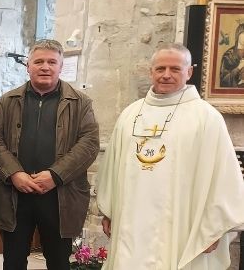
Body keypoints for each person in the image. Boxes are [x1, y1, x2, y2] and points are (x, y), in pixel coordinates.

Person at [96, 43, 244, 269]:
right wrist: (109, 210)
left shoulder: (207, 118)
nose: (166, 75)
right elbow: (112, 169)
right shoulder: (130, 114)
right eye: (160, 69)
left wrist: (213, 229)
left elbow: (222, 176)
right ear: (151, 71)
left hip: (181, 224)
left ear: (189, 72)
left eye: (175, 69)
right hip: (131, 221)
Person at [0, 39, 99, 270]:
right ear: (28, 66)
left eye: (51, 62)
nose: (45, 67)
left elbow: (89, 143)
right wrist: (15, 173)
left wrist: (55, 175)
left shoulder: (80, 102)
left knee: (58, 262)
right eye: (38, 61)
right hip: (16, 195)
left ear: (60, 66)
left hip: (60, 195)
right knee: (13, 261)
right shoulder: (8, 101)